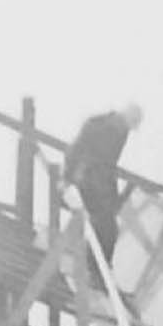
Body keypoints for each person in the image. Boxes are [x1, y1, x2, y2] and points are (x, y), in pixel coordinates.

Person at [64, 103, 141, 254]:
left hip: (99, 182)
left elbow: (109, 166)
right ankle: (87, 258)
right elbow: (76, 150)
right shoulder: (98, 126)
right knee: (102, 225)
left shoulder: (121, 131)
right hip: (86, 179)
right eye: (130, 125)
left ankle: (92, 260)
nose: (128, 129)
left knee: (106, 227)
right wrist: (67, 177)